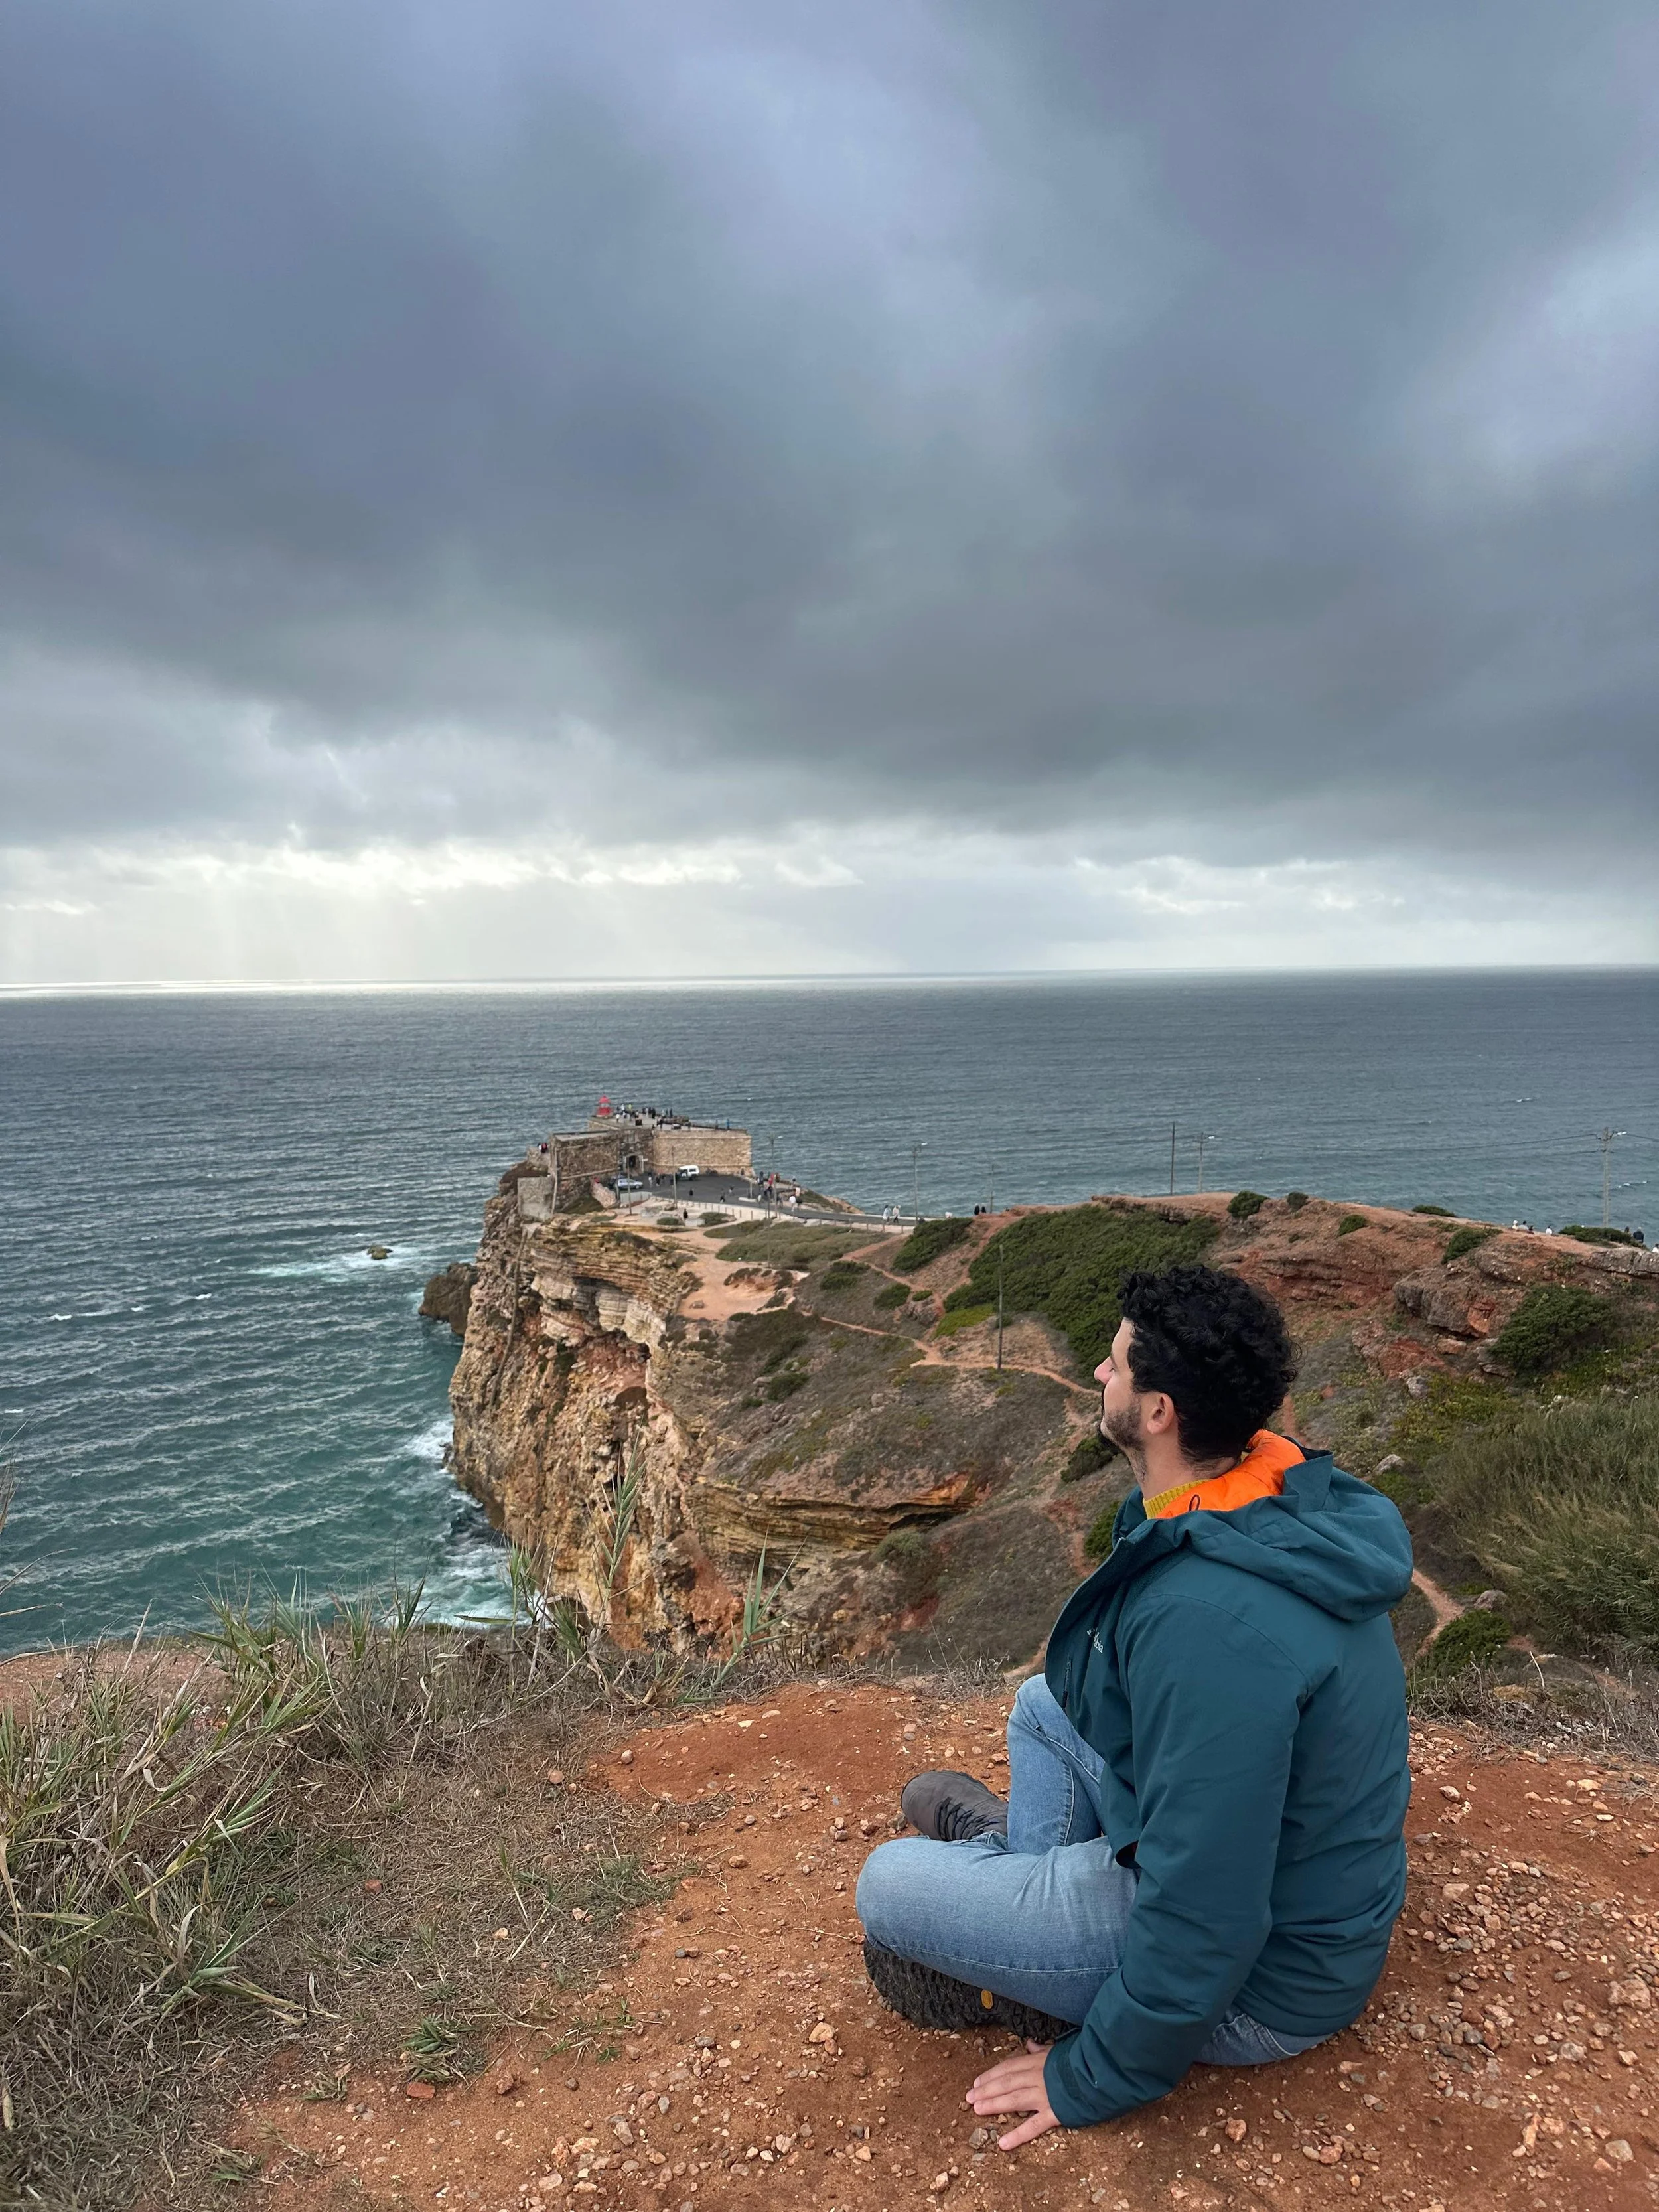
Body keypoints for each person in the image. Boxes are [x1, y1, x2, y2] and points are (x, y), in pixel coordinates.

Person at [855, 1263, 1412, 2148]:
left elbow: (1210, 1910)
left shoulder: (1210, 1624)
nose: (1098, 1373)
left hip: (1263, 1984)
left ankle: (1018, 1933)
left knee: (887, 1885)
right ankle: (1016, 1877)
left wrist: (1095, 2075)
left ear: (1158, 1413)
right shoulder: (1273, 1490)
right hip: (1278, 1870)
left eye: (1115, 1363)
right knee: (1044, 1706)